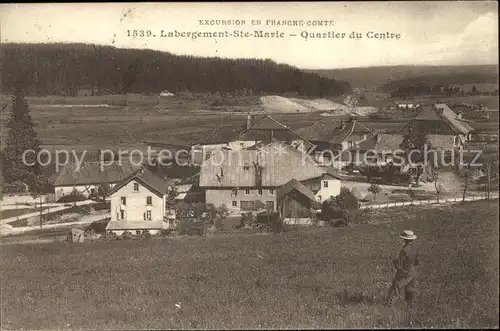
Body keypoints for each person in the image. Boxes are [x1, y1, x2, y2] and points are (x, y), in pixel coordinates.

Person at [387, 229, 420, 309]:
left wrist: (394, 263)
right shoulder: (415, 249)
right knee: (410, 290)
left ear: (404, 239)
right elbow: (417, 262)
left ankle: (389, 305)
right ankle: (410, 307)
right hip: (412, 272)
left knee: (395, 288)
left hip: (404, 272)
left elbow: (399, 265)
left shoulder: (404, 250)